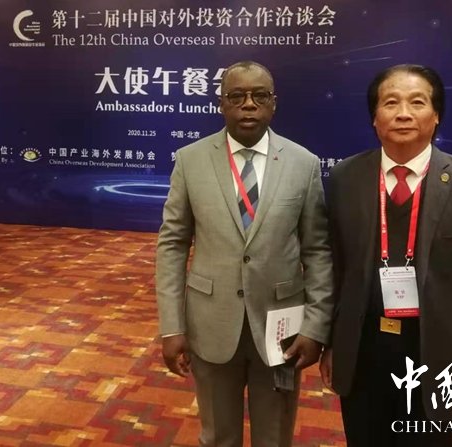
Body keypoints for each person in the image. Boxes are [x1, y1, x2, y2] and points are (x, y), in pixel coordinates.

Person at [319, 64, 452, 446]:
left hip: (443, 355)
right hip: (364, 352)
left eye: (417, 102)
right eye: (390, 103)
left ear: (436, 115)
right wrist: (331, 342)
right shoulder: (346, 177)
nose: (403, 113)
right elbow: (335, 268)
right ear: (374, 117)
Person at [156, 60, 333, 447]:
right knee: (218, 436)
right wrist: (171, 326)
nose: (248, 104)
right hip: (210, 324)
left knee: (275, 437)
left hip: (282, 331)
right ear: (221, 103)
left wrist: (315, 326)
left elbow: (318, 251)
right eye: (236, 96)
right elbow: (172, 244)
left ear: (274, 103)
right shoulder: (190, 160)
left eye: (259, 96)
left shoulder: (303, 163)